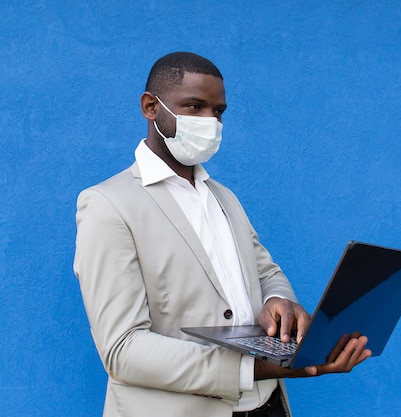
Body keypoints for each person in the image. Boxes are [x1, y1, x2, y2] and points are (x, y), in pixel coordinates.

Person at [73, 51, 371, 417]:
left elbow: (266, 273)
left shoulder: (224, 197)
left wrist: (278, 301)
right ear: (151, 107)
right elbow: (123, 349)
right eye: (194, 106)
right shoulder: (108, 204)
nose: (210, 121)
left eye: (218, 112)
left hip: (267, 405)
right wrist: (252, 369)